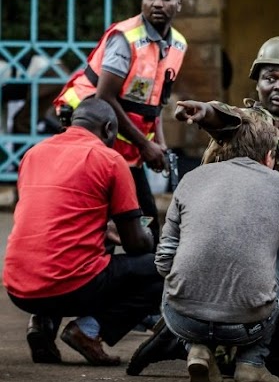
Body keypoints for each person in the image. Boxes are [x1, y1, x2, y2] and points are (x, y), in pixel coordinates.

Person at [127, 36, 279, 378]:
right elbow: (226, 117)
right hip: (244, 241)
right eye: (269, 78)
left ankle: (188, 339)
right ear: (256, 83)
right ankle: (189, 340)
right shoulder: (251, 121)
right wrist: (204, 111)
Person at [2, 98, 162, 366]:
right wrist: (148, 238)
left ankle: (42, 324)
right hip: (68, 286)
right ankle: (88, 330)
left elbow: (44, 219)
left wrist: (101, 230)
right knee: (163, 269)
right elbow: (136, 244)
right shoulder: (110, 159)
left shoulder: (34, 153)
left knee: (74, 253)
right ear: (110, 129)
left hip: (19, 288)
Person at [155, 113, 279, 382]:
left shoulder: (191, 178)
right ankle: (252, 363)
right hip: (249, 325)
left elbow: (164, 260)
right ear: (269, 156)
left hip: (182, 319)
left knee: (175, 262)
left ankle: (197, 350)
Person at [53, 0, 186, 243]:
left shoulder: (178, 45)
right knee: (99, 218)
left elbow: (155, 103)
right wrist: (145, 145)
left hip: (126, 145)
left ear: (179, 4)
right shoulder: (125, 39)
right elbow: (105, 98)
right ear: (142, 1)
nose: (158, 3)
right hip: (92, 135)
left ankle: (143, 276)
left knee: (144, 220)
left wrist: (159, 145)